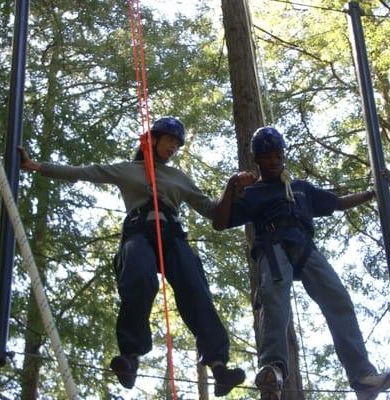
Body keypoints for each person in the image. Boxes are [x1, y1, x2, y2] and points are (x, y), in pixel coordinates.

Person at [18, 117, 251, 396]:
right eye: (169, 141)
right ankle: (130, 356)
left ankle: (218, 365)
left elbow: (213, 212)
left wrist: (231, 188)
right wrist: (36, 166)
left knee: (195, 289)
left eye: (177, 145)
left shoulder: (179, 178)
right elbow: (83, 172)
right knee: (139, 279)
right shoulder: (126, 170)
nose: (173, 148)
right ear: (152, 139)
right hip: (139, 232)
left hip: (172, 235)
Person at [213, 127, 390, 400]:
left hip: (305, 247)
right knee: (275, 303)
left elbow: (337, 203)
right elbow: (220, 222)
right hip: (273, 248)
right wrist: (231, 186)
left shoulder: (300, 189)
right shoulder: (254, 194)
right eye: (267, 157)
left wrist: (373, 192)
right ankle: (272, 370)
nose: (274, 161)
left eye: (277, 155)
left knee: (339, 300)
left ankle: (361, 376)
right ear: (258, 160)